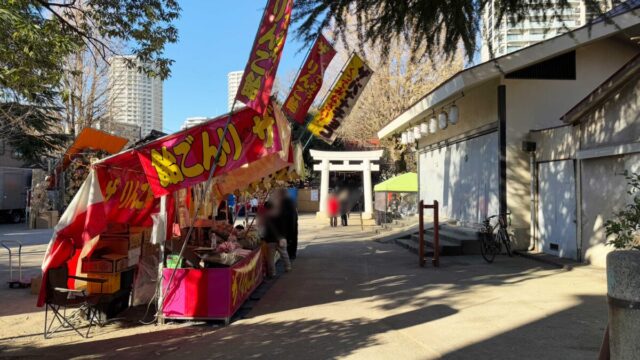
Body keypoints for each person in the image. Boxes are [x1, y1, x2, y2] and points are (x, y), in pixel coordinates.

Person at [258, 201, 291, 277]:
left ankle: (272, 273)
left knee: (270, 258)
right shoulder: (279, 215)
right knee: (284, 253)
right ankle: (288, 267)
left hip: (270, 240)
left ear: (266, 208)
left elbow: (265, 229)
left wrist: (264, 238)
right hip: (280, 238)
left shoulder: (266, 217)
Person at [277, 188, 299, 260]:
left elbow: (285, 216)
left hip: (289, 227)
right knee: (292, 241)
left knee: (289, 243)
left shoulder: (286, 202)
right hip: (292, 226)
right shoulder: (291, 202)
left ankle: (291, 255)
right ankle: (292, 254)